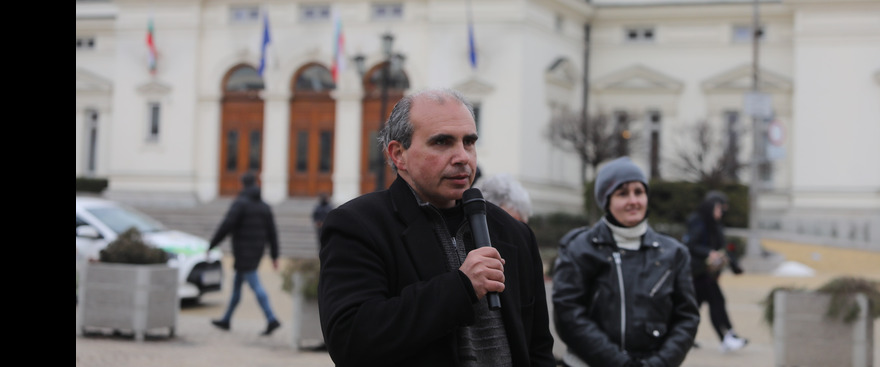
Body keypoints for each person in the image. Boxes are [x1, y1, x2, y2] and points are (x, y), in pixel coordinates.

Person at [317, 88, 555, 367]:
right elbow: (351, 341)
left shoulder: (514, 232)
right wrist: (461, 287)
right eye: (442, 142)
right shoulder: (358, 226)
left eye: (469, 142)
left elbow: (538, 349)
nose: (462, 157)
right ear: (398, 154)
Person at [551, 156, 699, 367]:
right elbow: (568, 314)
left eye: (639, 192)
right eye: (622, 193)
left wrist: (658, 363)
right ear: (606, 200)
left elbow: (686, 318)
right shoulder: (580, 248)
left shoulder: (674, 253)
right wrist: (620, 363)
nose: (633, 201)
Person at [207, 170, 282, 336]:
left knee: (256, 286)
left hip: (243, 253)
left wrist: (212, 245)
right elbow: (273, 233)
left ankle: (271, 318)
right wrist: (274, 256)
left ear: (243, 184)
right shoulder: (264, 207)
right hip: (255, 252)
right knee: (236, 288)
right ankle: (226, 320)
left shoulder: (240, 204)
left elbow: (226, 225)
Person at [683, 190, 748, 352]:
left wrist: (733, 265)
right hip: (698, 273)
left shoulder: (714, 225)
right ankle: (727, 337)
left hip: (706, 274)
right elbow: (691, 245)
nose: (722, 212)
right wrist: (708, 253)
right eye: (720, 208)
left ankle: (725, 336)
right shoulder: (698, 221)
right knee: (715, 303)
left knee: (693, 309)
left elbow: (722, 247)